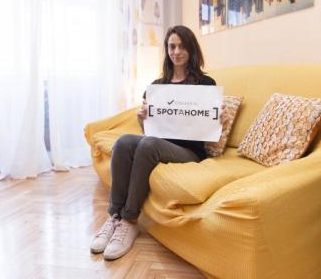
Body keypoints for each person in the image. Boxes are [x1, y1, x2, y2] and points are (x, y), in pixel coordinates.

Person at [90, 25, 225, 260]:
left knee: (148, 145)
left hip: (189, 151)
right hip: (160, 143)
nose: (176, 51)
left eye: (182, 46)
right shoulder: (157, 86)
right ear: (167, 50)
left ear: (191, 49)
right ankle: (115, 217)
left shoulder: (205, 84)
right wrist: (141, 119)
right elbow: (151, 130)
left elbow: (208, 132)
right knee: (123, 142)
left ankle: (130, 219)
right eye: (172, 46)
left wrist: (219, 120)